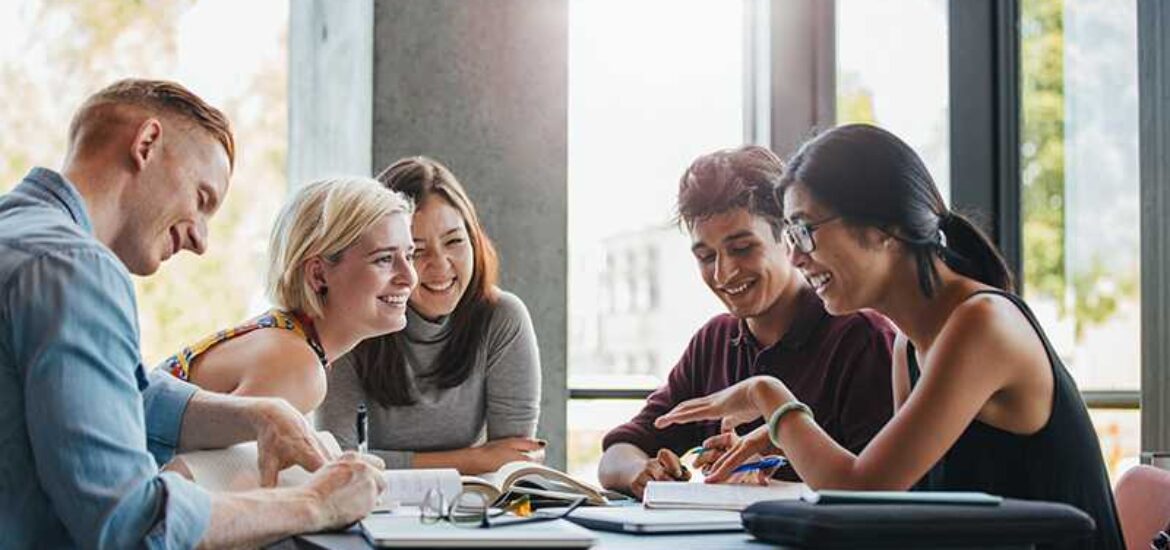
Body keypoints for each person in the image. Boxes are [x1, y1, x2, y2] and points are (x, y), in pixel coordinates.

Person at [655, 124, 1123, 549]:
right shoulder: (909, 347)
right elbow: (896, 507)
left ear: (884, 227)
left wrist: (768, 397)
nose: (796, 258)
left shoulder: (981, 324)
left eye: (805, 231)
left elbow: (861, 490)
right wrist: (780, 442)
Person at [0, 79, 386, 549]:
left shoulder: (19, 237)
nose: (201, 241)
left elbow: (116, 391)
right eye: (202, 199)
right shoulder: (75, 268)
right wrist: (316, 503)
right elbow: (129, 524)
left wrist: (258, 414)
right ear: (146, 144)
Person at [597, 145, 896, 500]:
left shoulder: (861, 338)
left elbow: (879, 492)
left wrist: (771, 468)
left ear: (789, 237)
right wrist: (640, 472)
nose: (723, 273)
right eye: (706, 257)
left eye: (741, 248)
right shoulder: (714, 341)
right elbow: (618, 452)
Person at [318, 156, 542, 474]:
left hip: (473, 509)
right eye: (416, 251)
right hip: (372, 508)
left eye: (454, 242)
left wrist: (392, 462)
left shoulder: (502, 318)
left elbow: (513, 461)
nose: (440, 265)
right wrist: (475, 459)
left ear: (475, 241)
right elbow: (337, 462)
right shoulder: (351, 322)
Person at [161, 176, 417, 414]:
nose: (410, 277)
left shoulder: (287, 339)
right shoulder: (296, 366)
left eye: (409, 256)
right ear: (318, 275)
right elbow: (194, 463)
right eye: (384, 259)